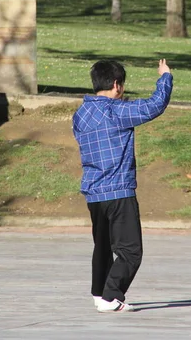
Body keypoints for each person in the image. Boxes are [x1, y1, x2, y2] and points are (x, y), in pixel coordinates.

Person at [72, 59, 173, 313]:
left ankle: (99, 293)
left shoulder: (81, 114)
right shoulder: (116, 111)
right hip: (118, 191)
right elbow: (155, 105)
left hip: (94, 193)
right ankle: (111, 296)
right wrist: (165, 77)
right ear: (117, 85)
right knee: (130, 251)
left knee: (103, 246)